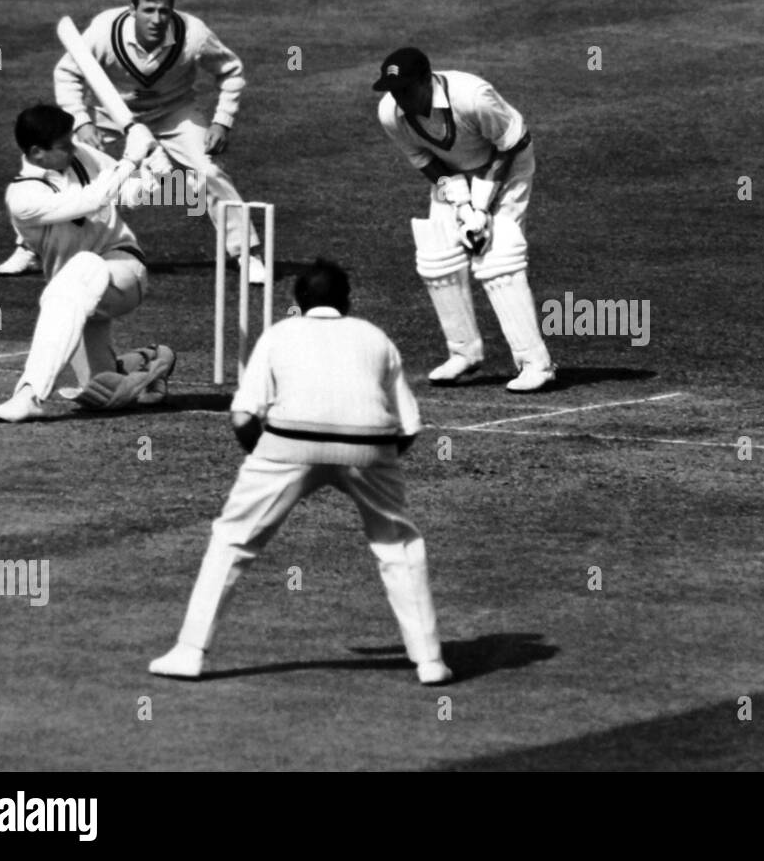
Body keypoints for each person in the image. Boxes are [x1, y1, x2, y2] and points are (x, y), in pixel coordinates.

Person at [149, 258, 453, 685]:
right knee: (399, 547)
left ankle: (189, 653)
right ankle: (431, 661)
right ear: (347, 301)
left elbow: (242, 416)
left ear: (298, 301)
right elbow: (409, 427)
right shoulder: (374, 336)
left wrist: (268, 460)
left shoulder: (279, 333)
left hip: (286, 444)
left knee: (231, 539)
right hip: (370, 446)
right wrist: (376, 463)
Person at [32, 0, 268, 284]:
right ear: (132, 10)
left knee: (207, 172)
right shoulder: (104, 31)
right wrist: (81, 121)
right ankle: (30, 245)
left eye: (163, 11)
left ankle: (246, 253)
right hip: (111, 112)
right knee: (59, 161)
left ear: (172, 12)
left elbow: (231, 72)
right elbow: (67, 73)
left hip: (175, 113)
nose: (156, 19)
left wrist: (222, 120)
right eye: (148, 10)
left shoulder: (193, 35)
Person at [374, 46, 555, 392]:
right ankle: (464, 353)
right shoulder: (389, 113)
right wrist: (461, 204)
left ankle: (536, 364)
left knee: (498, 256)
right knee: (436, 256)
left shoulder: (473, 97)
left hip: (506, 166)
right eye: (395, 90)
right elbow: (427, 161)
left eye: (407, 89)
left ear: (427, 81)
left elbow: (511, 144)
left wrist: (483, 207)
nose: (400, 97)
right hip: (452, 176)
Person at [0, 104, 175, 423]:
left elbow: (130, 193)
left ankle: (29, 394)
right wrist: (130, 159)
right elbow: (90, 201)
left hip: (123, 271)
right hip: (76, 294)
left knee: (84, 264)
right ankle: (150, 362)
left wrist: (156, 174)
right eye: (64, 146)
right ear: (37, 152)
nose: (74, 149)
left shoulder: (81, 154)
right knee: (102, 392)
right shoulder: (23, 196)